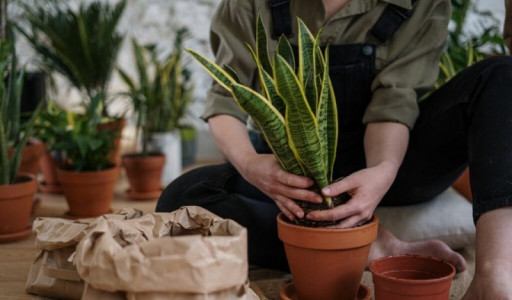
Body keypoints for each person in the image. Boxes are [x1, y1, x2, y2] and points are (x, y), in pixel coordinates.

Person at [157, 0, 512, 298]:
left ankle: (496, 274)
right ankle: (374, 247)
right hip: (294, 178)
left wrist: (383, 172)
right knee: (182, 197)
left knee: (501, 76)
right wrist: (252, 165)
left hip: (394, 163)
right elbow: (226, 101)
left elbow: (394, 102)